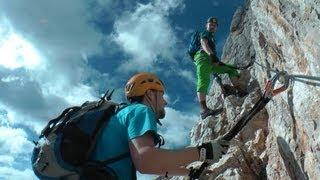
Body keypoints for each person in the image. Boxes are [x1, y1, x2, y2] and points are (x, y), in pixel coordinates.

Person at [91, 72, 229, 180]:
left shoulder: (121, 114)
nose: (165, 102)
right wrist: (203, 152)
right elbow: (146, 160)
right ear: (150, 94)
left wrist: (188, 172)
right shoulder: (141, 110)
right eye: (162, 95)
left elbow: (151, 163)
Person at [193, 17, 245, 120]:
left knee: (230, 69)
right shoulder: (205, 33)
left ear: (216, 28)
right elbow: (204, 43)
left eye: (215, 25)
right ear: (206, 25)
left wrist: (215, 60)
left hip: (211, 61)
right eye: (211, 24)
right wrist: (211, 55)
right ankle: (204, 110)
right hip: (203, 57)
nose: (212, 26)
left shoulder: (212, 38)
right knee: (204, 81)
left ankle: (238, 90)